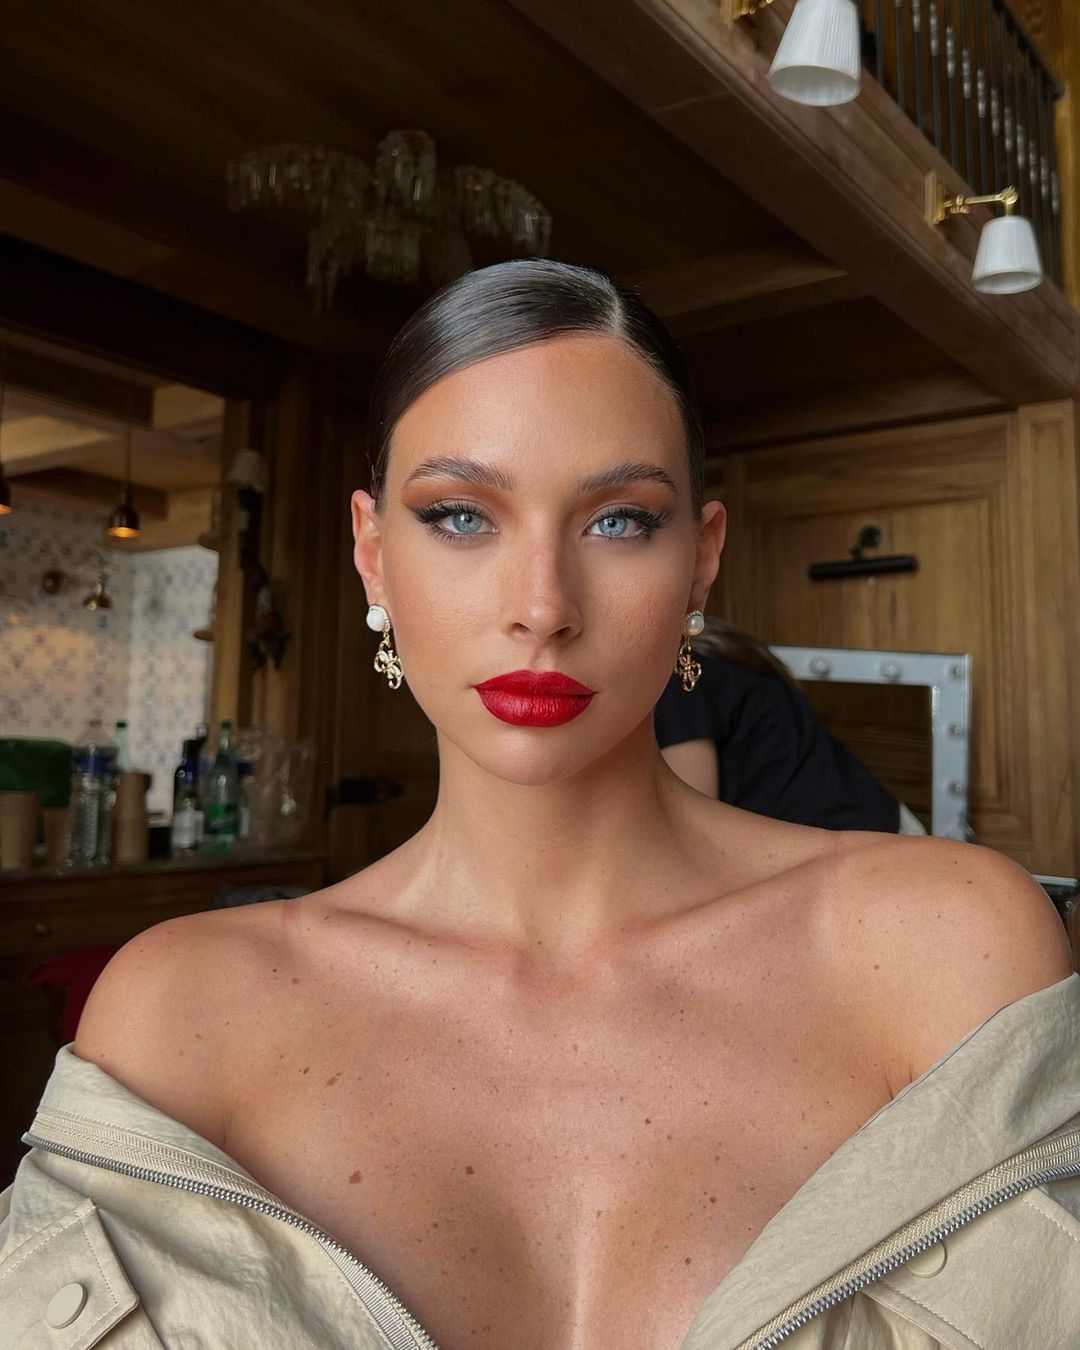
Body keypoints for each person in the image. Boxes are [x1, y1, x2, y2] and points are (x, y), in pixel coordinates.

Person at [2, 260, 1076, 1350]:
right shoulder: (182, 1015)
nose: (542, 607)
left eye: (620, 522)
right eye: (461, 515)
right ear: (373, 555)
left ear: (701, 558)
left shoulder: (944, 949)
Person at [654, 617, 924, 834]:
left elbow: (685, 827)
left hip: (857, 846)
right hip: (882, 828)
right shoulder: (715, 663)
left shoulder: (681, 678)